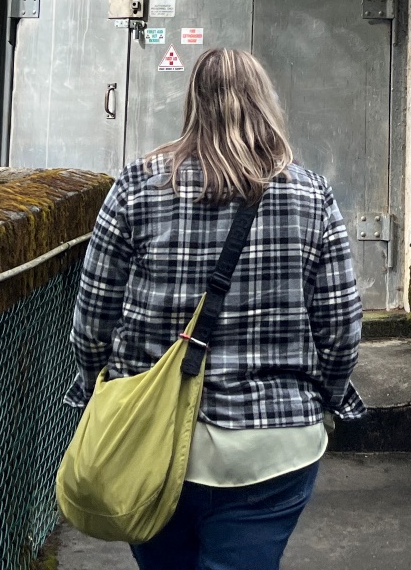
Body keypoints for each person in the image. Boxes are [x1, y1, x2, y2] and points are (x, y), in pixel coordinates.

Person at [67, 48, 364, 570]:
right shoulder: (311, 193)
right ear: (264, 103)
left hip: (150, 439)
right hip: (274, 445)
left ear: (192, 104)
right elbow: (341, 328)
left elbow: (92, 319)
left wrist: (104, 389)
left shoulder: (136, 186)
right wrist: (326, 399)